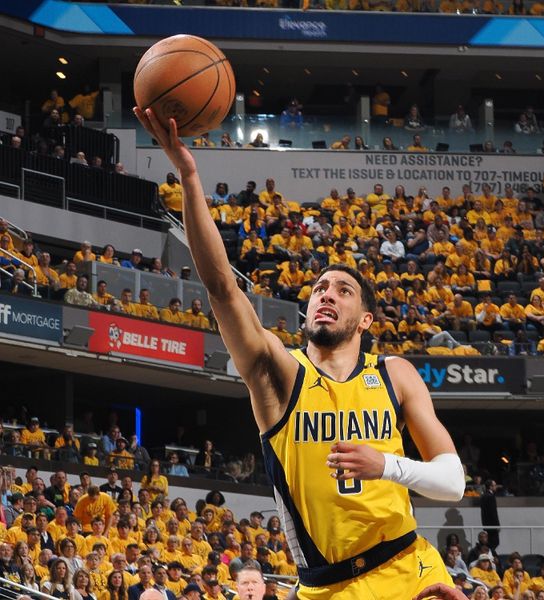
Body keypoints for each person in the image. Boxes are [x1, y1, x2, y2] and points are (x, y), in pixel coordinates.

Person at [135, 106, 465, 599]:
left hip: (409, 566)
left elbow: (452, 481)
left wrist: (387, 467)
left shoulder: (395, 374)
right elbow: (223, 287)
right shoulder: (280, 372)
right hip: (326, 586)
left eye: (342, 290)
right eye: (319, 288)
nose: (326, 294)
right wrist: (188, 176)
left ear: (366, 320)